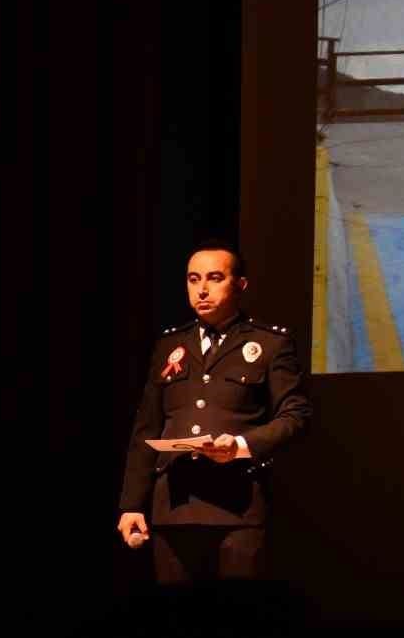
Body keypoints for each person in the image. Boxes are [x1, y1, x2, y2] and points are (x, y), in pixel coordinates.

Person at [117, 241, 312, 583]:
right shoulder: (169, 344)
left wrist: (240, 445)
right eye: (193, 279)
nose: (202, 289)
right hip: (174, 507)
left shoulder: (269, 343)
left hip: (238, 507)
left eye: (214, 278)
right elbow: (146, 428)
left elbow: (295, 414)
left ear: (240, 285)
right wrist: (132, 503)